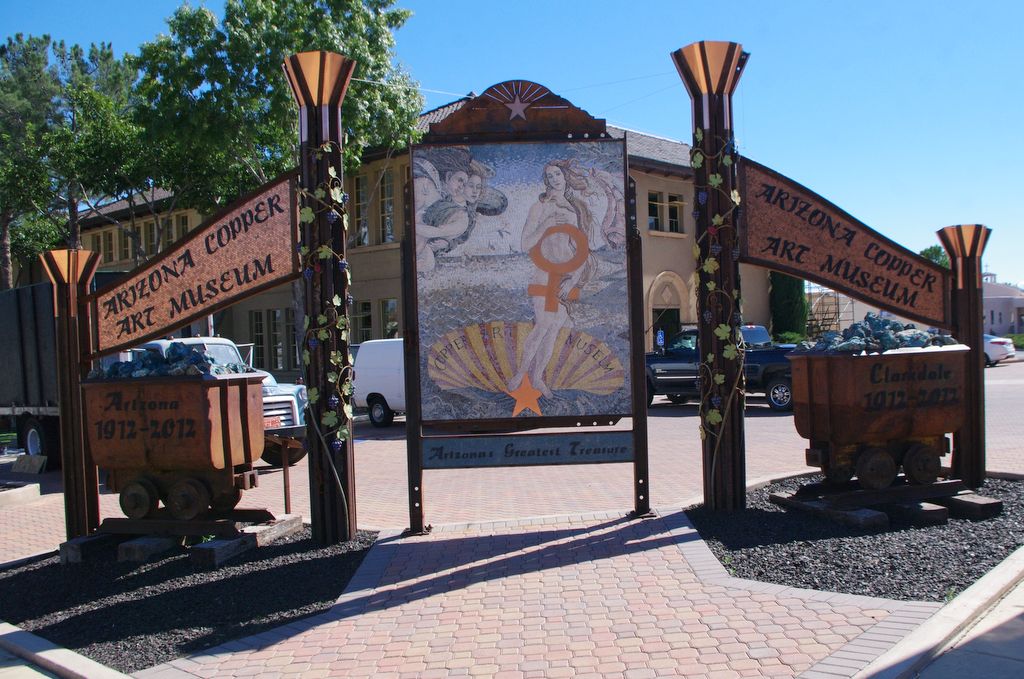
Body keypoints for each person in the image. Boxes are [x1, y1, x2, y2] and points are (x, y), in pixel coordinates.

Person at [509, 160, 599, 399]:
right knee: (543, 324)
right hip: (545, 273)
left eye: (557, 174)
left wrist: (574, 278)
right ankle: (520, 374)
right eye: (549, 176)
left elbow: (581, 247)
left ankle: (537, 377)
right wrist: (547, 224)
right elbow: (525, 243)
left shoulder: (576, 208)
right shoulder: (540, 207)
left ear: (565, 176)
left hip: (568, 275)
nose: (554, 179)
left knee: (554, 327)